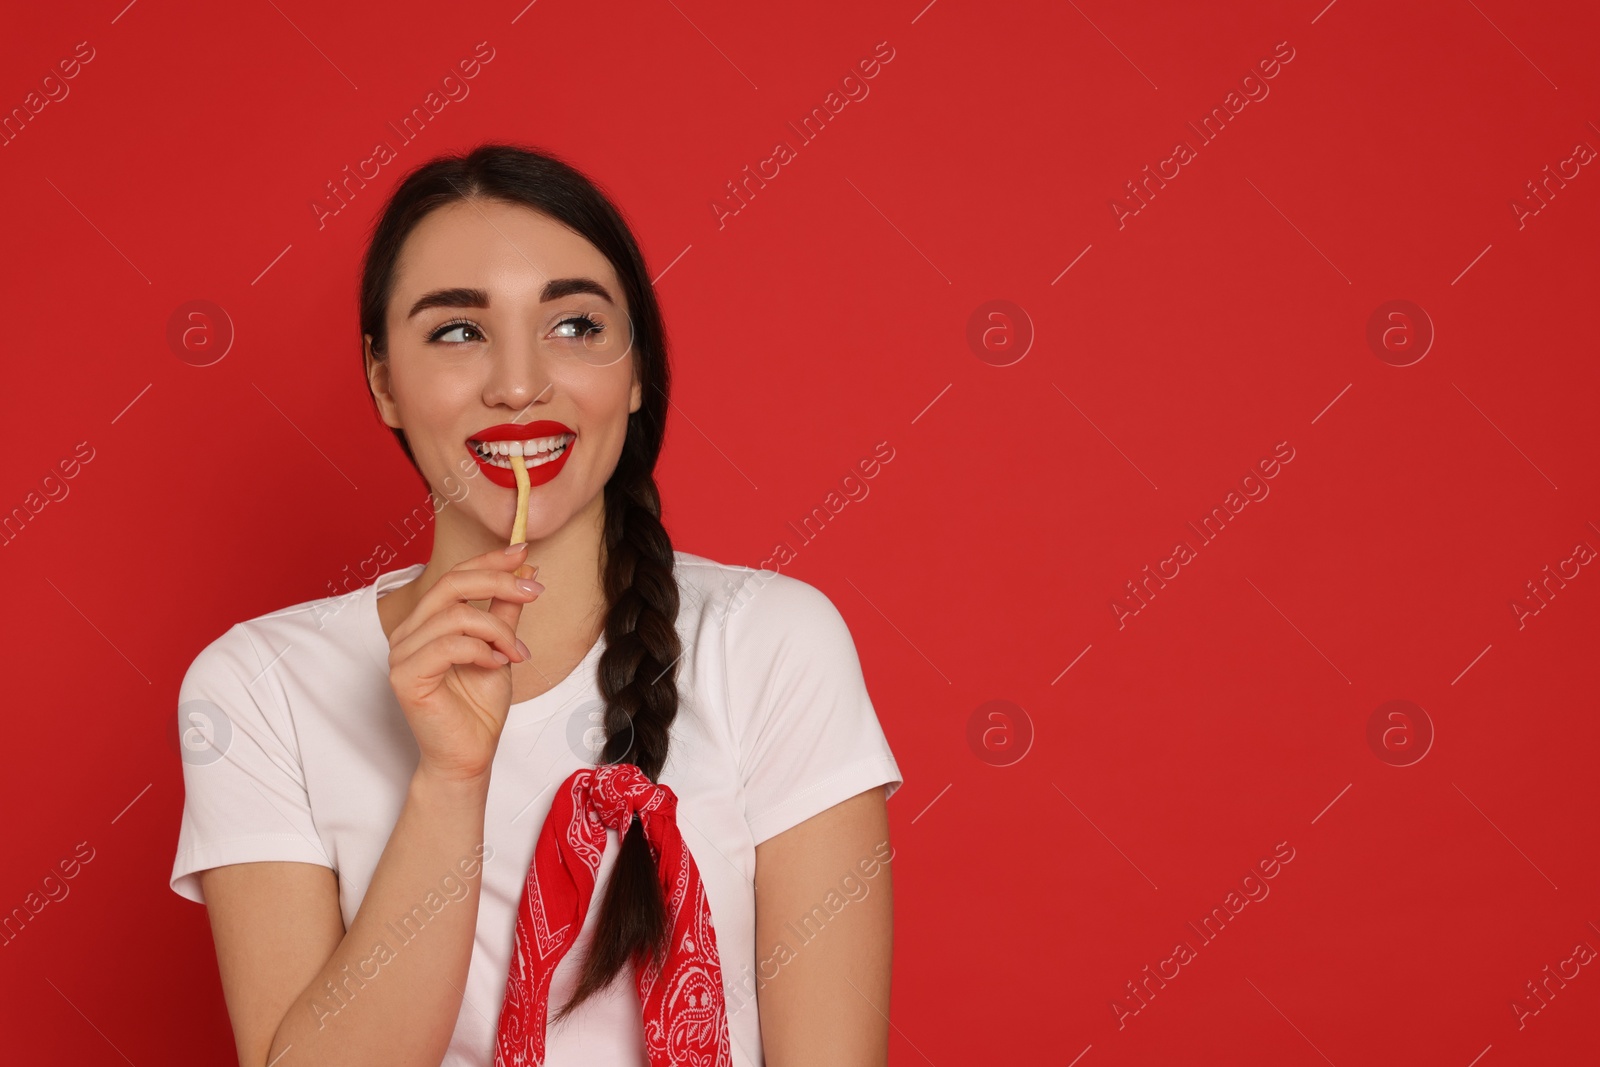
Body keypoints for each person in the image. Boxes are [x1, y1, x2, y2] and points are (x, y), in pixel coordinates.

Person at [168, 142, 903, 1067]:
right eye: (458, 332)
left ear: (635, 372)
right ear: (385, 379)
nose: (519, 386)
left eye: (576, 326)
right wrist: (448, 782)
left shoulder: (775, 643)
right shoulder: (258, 688)